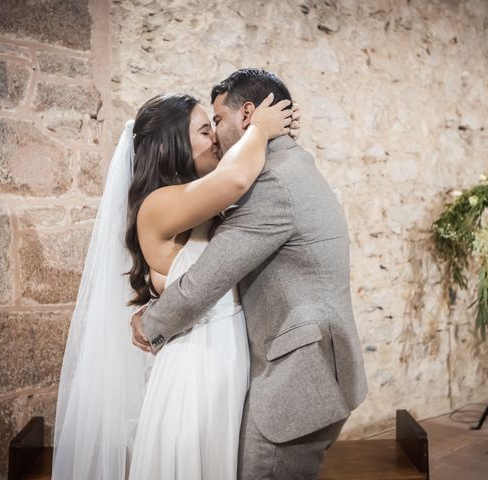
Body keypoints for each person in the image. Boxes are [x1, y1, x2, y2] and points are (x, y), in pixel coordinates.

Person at [132, 68, 368, 479]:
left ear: (246, 115)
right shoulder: (288, 167)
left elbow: (206, 279)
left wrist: (149, 322)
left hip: (295, 379)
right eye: (205, 128)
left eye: (217, 122)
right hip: (250, 368)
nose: (216, 134)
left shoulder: (270, 183)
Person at [52, 89, 298, 479]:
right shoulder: (157, 204)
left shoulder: (194, 199)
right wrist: (261, 131)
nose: (215, 137)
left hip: (224, 359)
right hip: (197, 365)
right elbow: (235, 176)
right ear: (171, 148)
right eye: (204, 131)